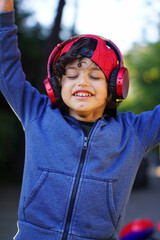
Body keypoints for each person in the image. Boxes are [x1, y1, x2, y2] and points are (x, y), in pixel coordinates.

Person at [0, 1, 160, 240]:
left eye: (95, 76)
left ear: (115, 88)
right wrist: (4, 14)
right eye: (72, 75)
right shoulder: (37, 112)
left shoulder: (134, 133)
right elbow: (6, 67)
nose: (83, 82)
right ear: (56, 85)